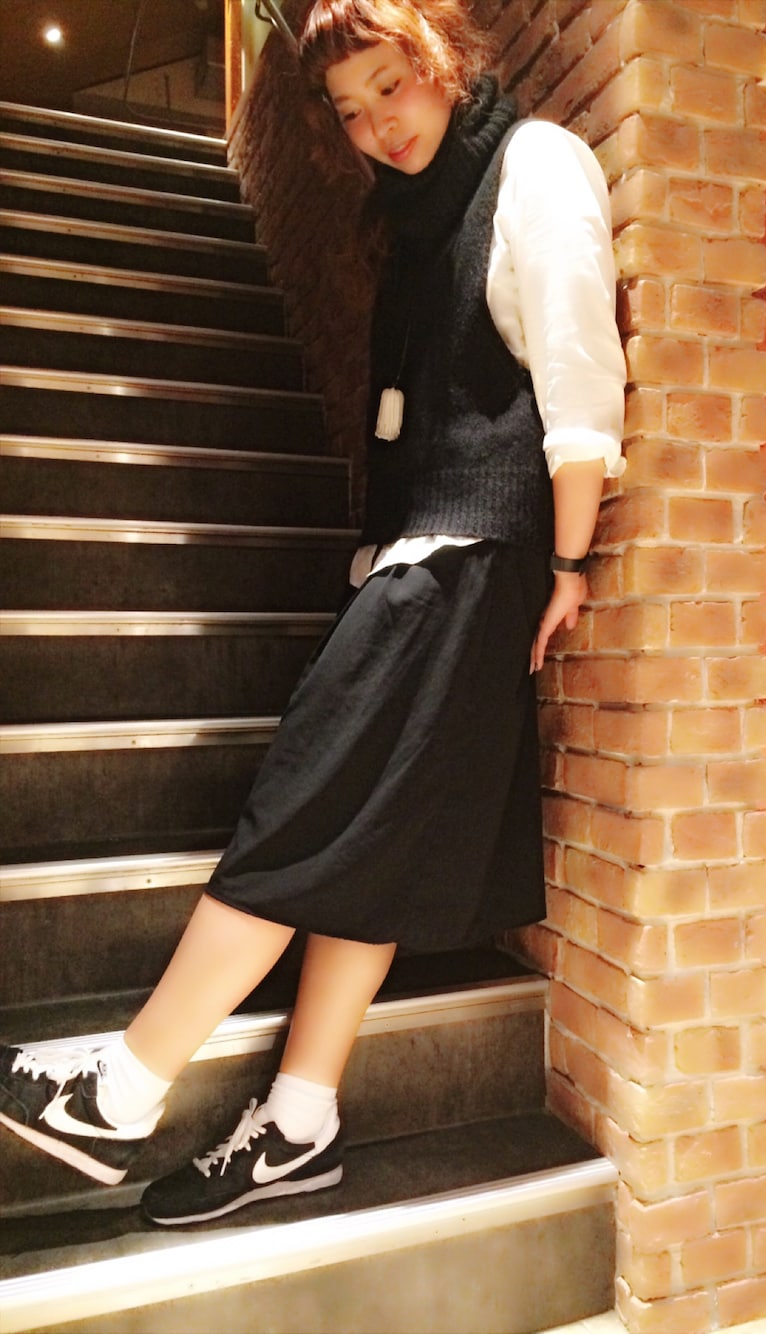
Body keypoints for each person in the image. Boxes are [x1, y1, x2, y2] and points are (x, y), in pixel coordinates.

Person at [0, 0, 625, 1227]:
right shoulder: (417, 220)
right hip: (427, 556)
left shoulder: (535, 162)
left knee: (305, 800)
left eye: (391, 85)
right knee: (368, 840)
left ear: (445, 61)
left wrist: (566, 557)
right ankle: (299, 1119)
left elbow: (577, 367)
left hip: (473, 558)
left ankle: (120, 1089)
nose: (376, 124)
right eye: (347, 111)